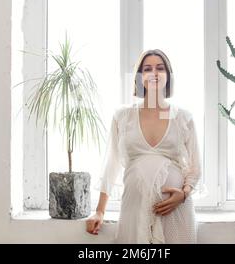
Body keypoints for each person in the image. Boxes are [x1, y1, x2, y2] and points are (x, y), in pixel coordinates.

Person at [85, 49, 204, 243]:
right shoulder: (123, 116)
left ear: (168, 75)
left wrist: (183, 194)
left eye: (160, 68)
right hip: (134, 209)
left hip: (174, 213)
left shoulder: (183, 117)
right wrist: (99, 211)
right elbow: (111, 165)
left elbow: (195, 167)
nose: (154, 73)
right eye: (147, 69)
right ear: (140, 77)